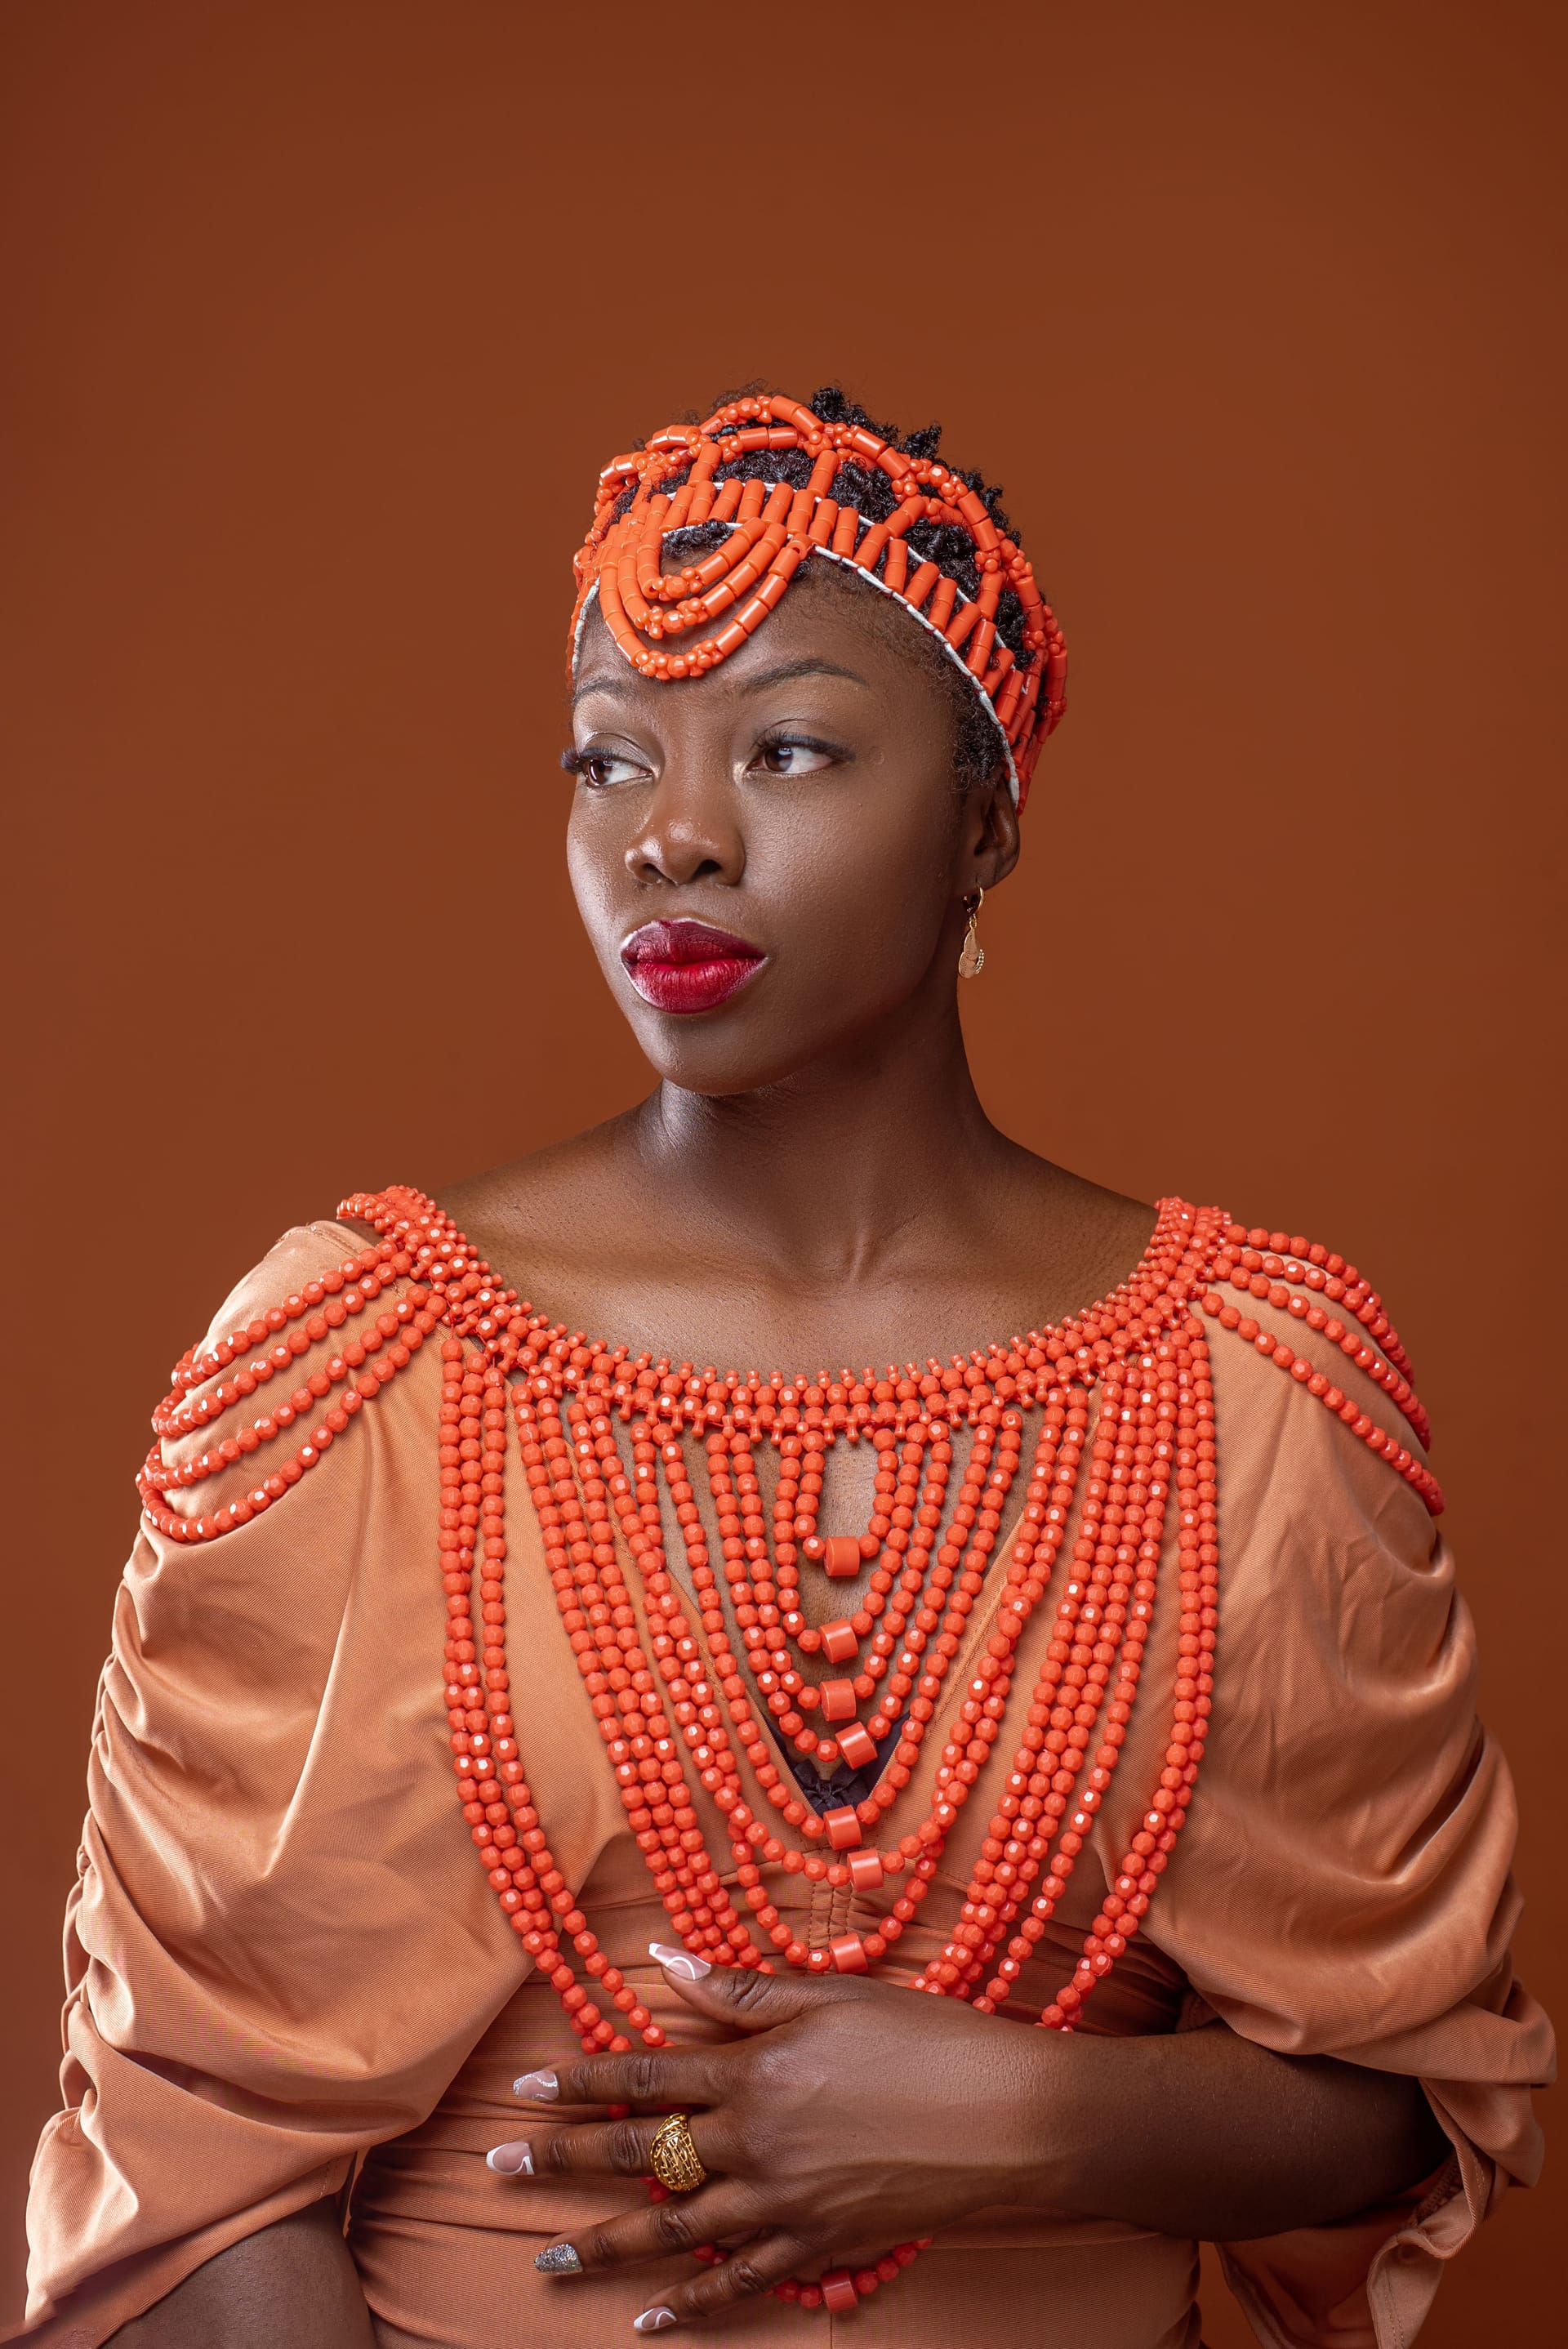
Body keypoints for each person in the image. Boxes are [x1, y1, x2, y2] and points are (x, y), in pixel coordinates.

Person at [14, 386, 1551, 2349]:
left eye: (793, 747)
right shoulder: (363, 1371)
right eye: (605, 759)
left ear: (987, 817)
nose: (673, 834)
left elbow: (1399, 2102)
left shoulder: (1251, 1387)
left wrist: (1031, 2117)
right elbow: (199, 2167)